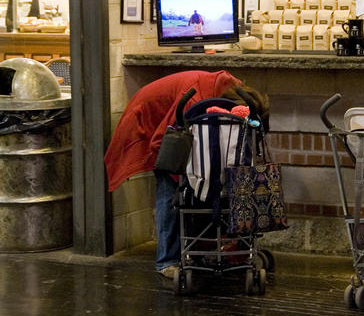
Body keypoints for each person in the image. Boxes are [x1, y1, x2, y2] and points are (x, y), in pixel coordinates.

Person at [104, 70, 269, 278]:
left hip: (175, 126)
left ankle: (196, 249)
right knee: (169, 190)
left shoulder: (234, 89)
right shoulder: (194, 99)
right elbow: (161, 141)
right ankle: (167, 261)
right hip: (151, 122)